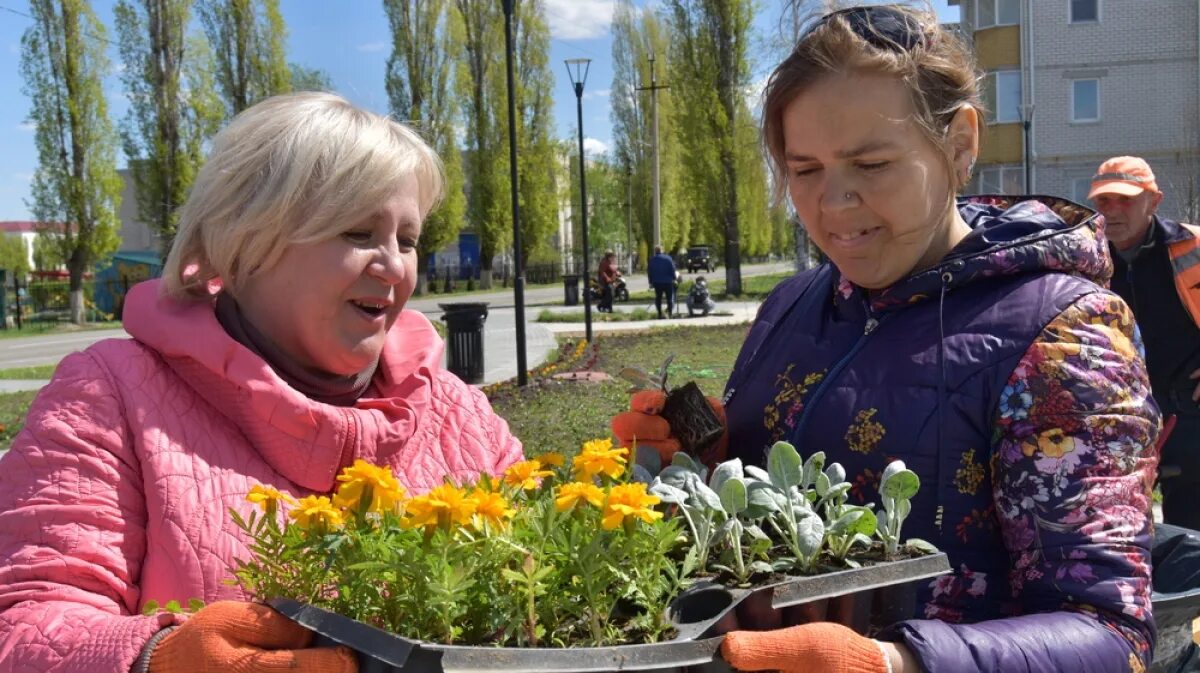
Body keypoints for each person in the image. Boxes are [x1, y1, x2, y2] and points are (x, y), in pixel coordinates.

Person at [613, 5, 1158, 673]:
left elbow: (1111, 633)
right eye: (804, 169)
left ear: (959, 143)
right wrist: (697, 460)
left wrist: (895, 663)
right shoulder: (792, 303)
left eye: (870, 163)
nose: (834, 202)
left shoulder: (1063, 336)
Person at [0, 92, 524, 673]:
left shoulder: (459, 416)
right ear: (247, 242)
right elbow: (25, 624)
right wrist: (154, 659)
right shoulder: (110, 398)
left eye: (407, 239)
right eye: (356, 232)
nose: (395, 266)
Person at [1088, 156, 1200, 529]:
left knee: (1190, 517)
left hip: (1189, 403)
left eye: (1126, 200)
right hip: (1122, 407)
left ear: (1154, 201)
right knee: (1124, 518)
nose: (1114, 211)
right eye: (1105, 202)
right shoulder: (1087, 261)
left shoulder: (1192, 247)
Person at [648, 245, 678, 319]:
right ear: (662, 250)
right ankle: (670, 314)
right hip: (668, 281)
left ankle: (659, 314)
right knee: (669, 298)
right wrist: (674, 278)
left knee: (658, 298)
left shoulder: (652, 260)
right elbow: (672, 269)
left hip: (657, 282)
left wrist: (651, 282)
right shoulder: (668, 259)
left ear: (655, 251)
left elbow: (649, 272)